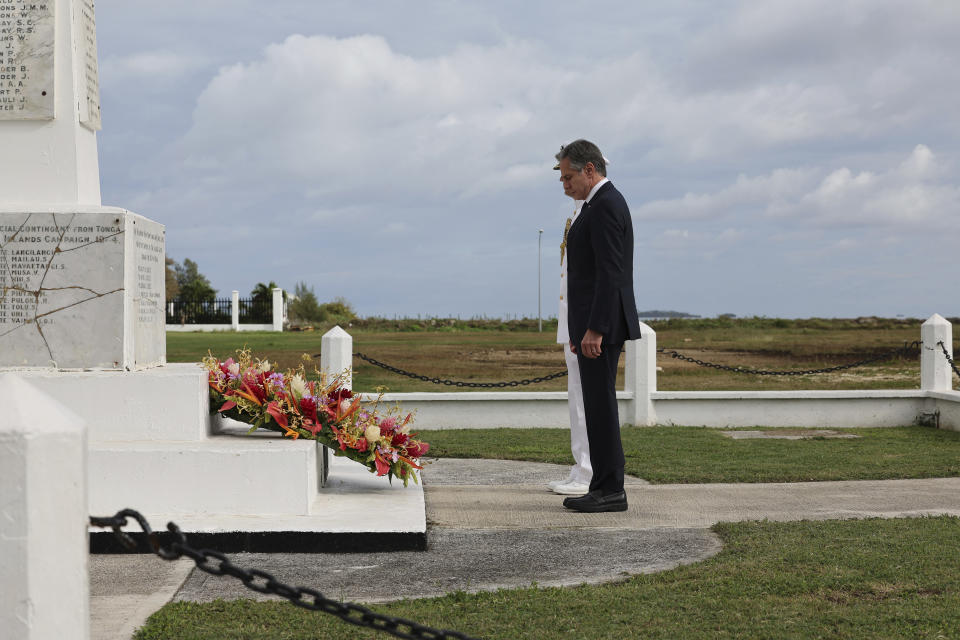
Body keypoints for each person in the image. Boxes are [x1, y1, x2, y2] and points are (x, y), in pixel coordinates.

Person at [554, 139, 641, 513]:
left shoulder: (605, 205)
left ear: (590, 169)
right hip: (591, 326)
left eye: (569, 176)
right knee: (596, 405)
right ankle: (604, 486)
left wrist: (596, 329)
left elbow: (611, 273)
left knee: (600, 407)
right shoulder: (596, 204)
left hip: (600, 328)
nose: (565, 184)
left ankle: (609, 489)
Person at [547, 194, 591, 496]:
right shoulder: (577, 212)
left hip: (583, 325)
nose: (564, 184)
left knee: (585, 402)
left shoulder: (591, 212)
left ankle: (588, 472)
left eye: (567, 176)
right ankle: (581, 467)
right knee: (577, 399)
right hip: (572, 322)